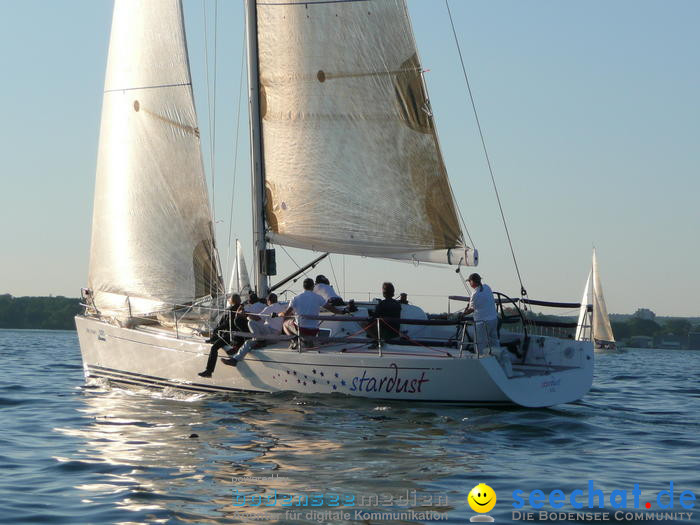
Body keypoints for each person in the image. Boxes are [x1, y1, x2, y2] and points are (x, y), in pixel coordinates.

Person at [222, 293, 286, 367]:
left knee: (251, 322)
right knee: (248, 342)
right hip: (276, 336)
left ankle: (257, 340)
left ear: (269, 301)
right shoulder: (282, 307)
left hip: (271, 334)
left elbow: (257, 318)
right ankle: (235, 360)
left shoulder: (269, 308)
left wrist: (248, 314)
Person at [281, 278, 343, 345]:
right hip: (314, 331)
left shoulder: (296, 298)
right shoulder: (318, 297)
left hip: (301, 330)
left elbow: (286, 313)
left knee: (285, 324)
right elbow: (331, 309)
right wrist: (341, 312)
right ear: (313, 286)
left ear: (303, 287)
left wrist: (278, 314)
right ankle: (307, 341)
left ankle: (294, 341)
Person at [198, 294, 242, 378]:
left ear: (232, 301)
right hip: (238, 335)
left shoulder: (231, 310)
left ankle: (209, 371)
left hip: (231, 335)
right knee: (218, 335)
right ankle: (212, 339)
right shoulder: (242, 308)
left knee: (214, 347)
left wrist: (216, 329)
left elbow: (226, 324)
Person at [462, 273, 500, 355]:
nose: (469, 283)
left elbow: (471, 309)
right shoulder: (487, 287)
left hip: (482, 323)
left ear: (473, 282)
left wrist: (463, 314)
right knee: (494, 341)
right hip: (493, 319)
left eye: (470, 281)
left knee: (480, 343)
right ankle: (497, 357)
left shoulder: (475, 294)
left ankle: (481, 357)